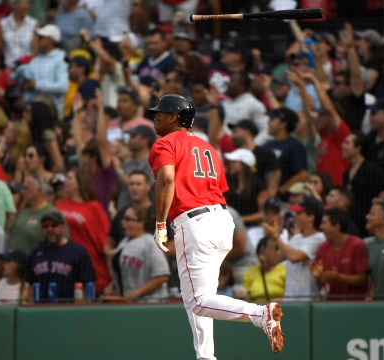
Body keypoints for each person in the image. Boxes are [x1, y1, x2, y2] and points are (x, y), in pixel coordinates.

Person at [148, 94, 285, 356]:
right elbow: (219, 188)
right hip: (222, 221)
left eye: (161, 112)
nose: (156, 116)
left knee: (198, 301)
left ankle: (260, 314)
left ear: (175, 117)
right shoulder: (207, 147)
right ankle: (206, 356)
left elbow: (166, 181)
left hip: (194, 222)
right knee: (200, 298)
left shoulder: (165, 143)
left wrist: (160, 223)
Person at [56, 168, 111, 295]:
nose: (65, 181)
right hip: (62, 265)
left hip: (88, 266)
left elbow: (105, 242)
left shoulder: (94, 208)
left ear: (80, 182)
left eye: (69, 178)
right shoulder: (59, 205)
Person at [22, 211, 95, 302]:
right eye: (45, 226)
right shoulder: (35, 253)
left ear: (62, 227)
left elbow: (88, 284)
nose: (49, 229)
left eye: (53, 225)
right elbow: (29, 285)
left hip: (69, 308)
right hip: (41, 309)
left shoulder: (78, 252)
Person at [106, 206, 170, 301]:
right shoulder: (123, 242)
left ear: (140, 223)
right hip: (129, 303)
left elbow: (162, 276)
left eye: (128, 219)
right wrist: (113, 285)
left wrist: (137, 292)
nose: (123, 222)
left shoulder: (151, 243)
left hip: (151, 303)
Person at [269, 196, 326, 302]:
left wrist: (276, 237)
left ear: (311, 216)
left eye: (300, 213)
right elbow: (273, 260)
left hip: (309, 299)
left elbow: (294, 257)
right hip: (289, 298)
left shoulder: (319, 238)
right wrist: (273, 237)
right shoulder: (296, 238)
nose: (296, 216)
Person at [313, 208, 368, 300]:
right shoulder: (322, 248)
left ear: (337, 226)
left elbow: (363, 279)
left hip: (355, 304)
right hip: (330, 304)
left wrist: (338, 277)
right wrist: (319, 277)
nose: (321, 227)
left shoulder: (358, 245)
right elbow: (321, 282)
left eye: (324, 223)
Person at [341, 131, 384, 236]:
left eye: (347, 143)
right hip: (351, 223)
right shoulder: (346, 173)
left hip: (368, 224)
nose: (342, 146)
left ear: (358, 148)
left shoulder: (373, 170)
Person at [9, 175, 62, 255]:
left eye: (26, 188)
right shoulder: (24, 212)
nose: (22, 192)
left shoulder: (51, 214)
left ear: (38, 191)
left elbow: (60, 243)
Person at [242, 238, 286, 302]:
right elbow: (245, 297)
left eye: (264, 253)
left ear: (276, 252)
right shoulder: (250, 273)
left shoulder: (285, 271)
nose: (261, 257)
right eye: (259, 254)